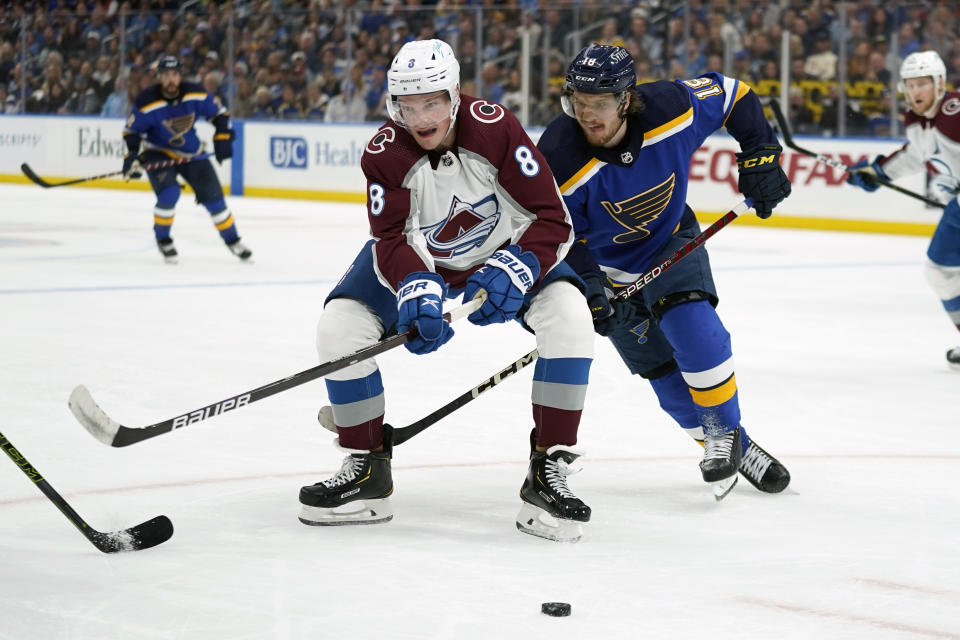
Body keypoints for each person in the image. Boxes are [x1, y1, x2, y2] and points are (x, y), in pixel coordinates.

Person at [300, 39, 595, 542]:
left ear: (455, 94)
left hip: (504, 251)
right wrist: (416, 282)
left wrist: (520, 264)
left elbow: (551, 216)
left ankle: (549, 465)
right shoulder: (384, 154)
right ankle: (368, 467)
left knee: (571, 318)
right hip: (422, 260)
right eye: (406, 105)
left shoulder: (496, 128)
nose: (419, 117)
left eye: (431, 102)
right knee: (340, 327)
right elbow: (389, 237)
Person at [537, 44, 793, 498]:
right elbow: (559, 233)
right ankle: (739, 444)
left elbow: (736, 95)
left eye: (597, 103)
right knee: (662, 375)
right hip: (608, 273)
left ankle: (721, 432)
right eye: (577, 102)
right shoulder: (557, 153)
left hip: (670, 242)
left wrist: (759, 155)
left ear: (625, 99)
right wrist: (591, 287)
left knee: (694, 326)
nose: (586, 114)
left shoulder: (671, 108)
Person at [847, 50, 960, 370]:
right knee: (940, 271)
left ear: (940, 84)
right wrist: (878, 172)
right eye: (909, 85)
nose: (915, 92)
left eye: (922, 84)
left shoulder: (955, 111)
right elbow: (915, 155)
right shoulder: (916, 120)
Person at [122, 55, 251, 263]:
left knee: (215, 200)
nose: (171, 80)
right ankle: (163, 239)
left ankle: (233, 240)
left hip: (192, 153)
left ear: (180, 75)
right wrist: (132, 156)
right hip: (158, 152)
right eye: (166, 75)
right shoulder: (147, 101)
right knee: (169, 193)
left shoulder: (195, 93)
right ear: (159, 77)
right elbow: (132, 131)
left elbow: (219, 114)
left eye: (174, 74)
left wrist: (222, 136)